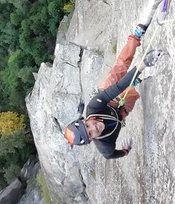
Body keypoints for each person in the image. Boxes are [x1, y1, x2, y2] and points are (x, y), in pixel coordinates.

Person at [64, 24, 162, 159]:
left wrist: (144, 63)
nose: (94, 128)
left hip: (106, 96)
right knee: (132, 94)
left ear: (85, 119)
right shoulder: (105, 146)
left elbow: (117, 87)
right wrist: (125, 151)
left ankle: (135, 36)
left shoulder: (93, 106)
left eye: (87, 125)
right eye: (90, 134)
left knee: (121, 66)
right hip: (120, 111)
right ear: (92, 140)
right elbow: (110, 155)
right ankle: (132, 84)